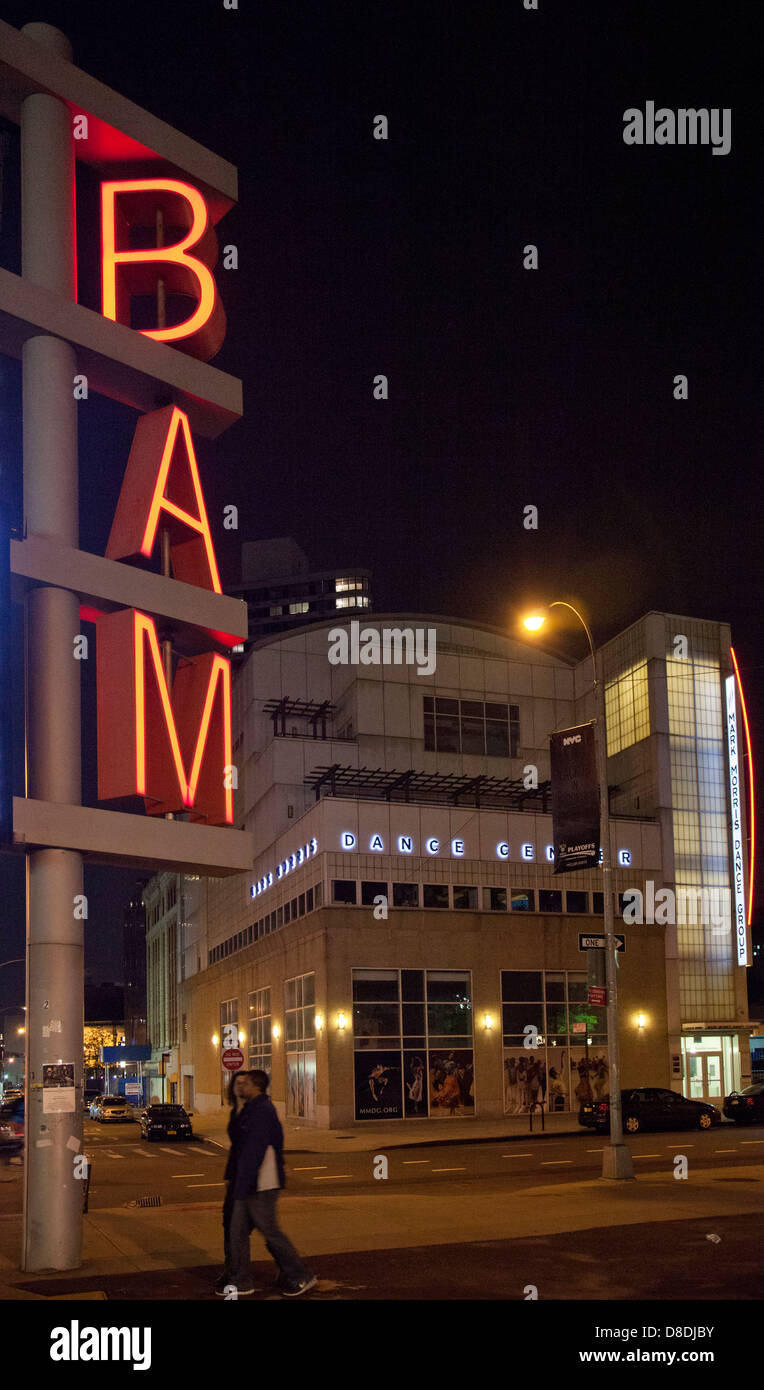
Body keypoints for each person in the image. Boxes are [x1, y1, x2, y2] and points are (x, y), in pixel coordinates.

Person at [217, 1069, 317, 1298]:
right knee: (237, 1232)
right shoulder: (250, 1108)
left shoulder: (262, 1111)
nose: (241, 1087)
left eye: (246, 1084)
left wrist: (243, 1184)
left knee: (270, 1231)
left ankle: (300, 1275)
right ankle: (241, 1280)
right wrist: (236, 1109)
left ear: (257, 1087)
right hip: (249, 1182)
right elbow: (237, 1139)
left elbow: (254, 1150)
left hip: (261, 1183)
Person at [213, 1072, 252, 1296]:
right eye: (237, 1082)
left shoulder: (252, 1111)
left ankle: (240, 1277)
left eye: (244, 1083)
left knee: (242, 1230)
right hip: (234, 1174)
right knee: (230, 1227)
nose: (240, 1086)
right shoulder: (236, 1112)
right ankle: (232, 1270)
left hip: (247, 1179)